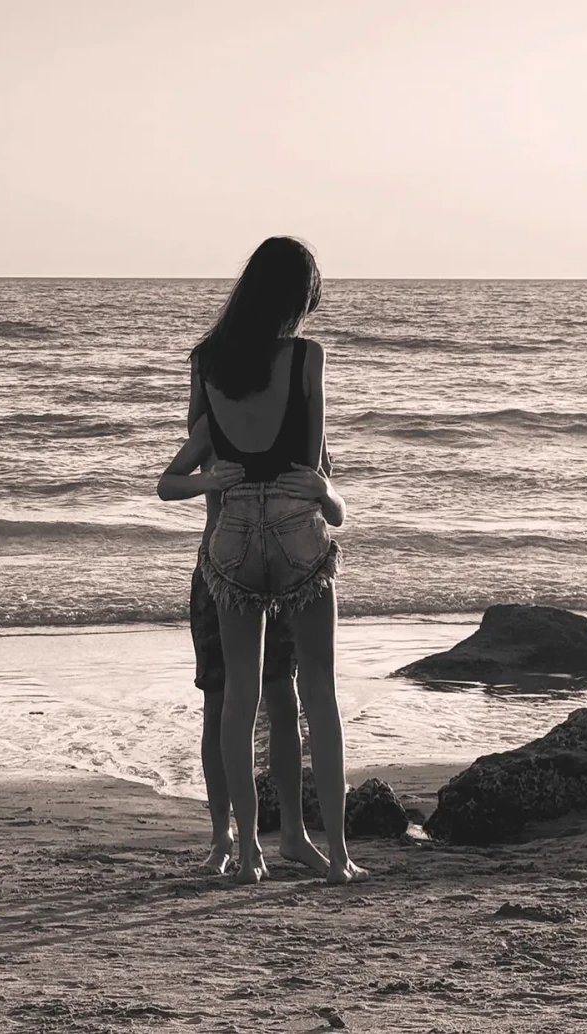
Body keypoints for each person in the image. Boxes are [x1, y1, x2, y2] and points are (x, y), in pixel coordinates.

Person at [158, 236, 368, 886]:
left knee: (234, 700)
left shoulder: (208, 362)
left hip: (231, 541)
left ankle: (247, 852)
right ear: (295, 299)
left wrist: (217, 478)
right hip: (292, 529)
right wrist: (330, 500)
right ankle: (336, 856)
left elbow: (202, 453)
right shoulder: (307, 357)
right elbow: (313, 467)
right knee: (318, 697)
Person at [159, 421, 343, 876]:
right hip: (220, 575)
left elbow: (334, 507)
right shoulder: (219, 417)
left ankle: (293, 834)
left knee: (283, 698)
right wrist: (210, 480)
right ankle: (225, 836)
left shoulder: (303, 425)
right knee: (220, 701)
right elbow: (166, 484)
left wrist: (325, 490)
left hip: (284, 576)